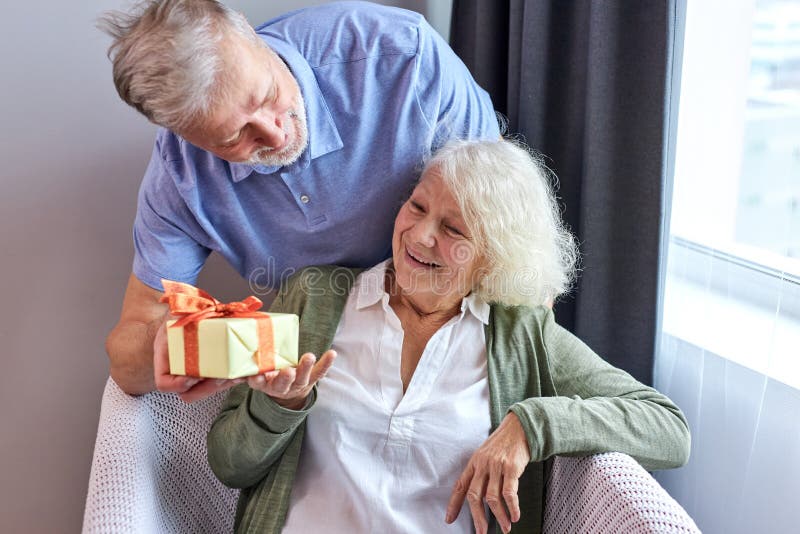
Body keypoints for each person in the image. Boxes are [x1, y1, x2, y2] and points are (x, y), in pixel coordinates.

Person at [206, 139, 691, 534]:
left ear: (494, 256)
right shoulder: (315, 298)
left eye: (452, 229)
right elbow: (229, 465)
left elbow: (669, 429)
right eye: (417, 206)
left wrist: (531, 424)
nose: (419, 236)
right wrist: (280, 407)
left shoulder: (521, 336)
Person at [99, 0, 499, 402]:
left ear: (252, 36)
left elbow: (513, 226)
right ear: (188, 138)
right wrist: (169, 345)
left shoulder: (401, 54)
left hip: (450, 339)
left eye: (267, 93)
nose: (275, 136)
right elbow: (126, 359)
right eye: (233, 138)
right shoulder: (180, 177)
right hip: (324, 374)